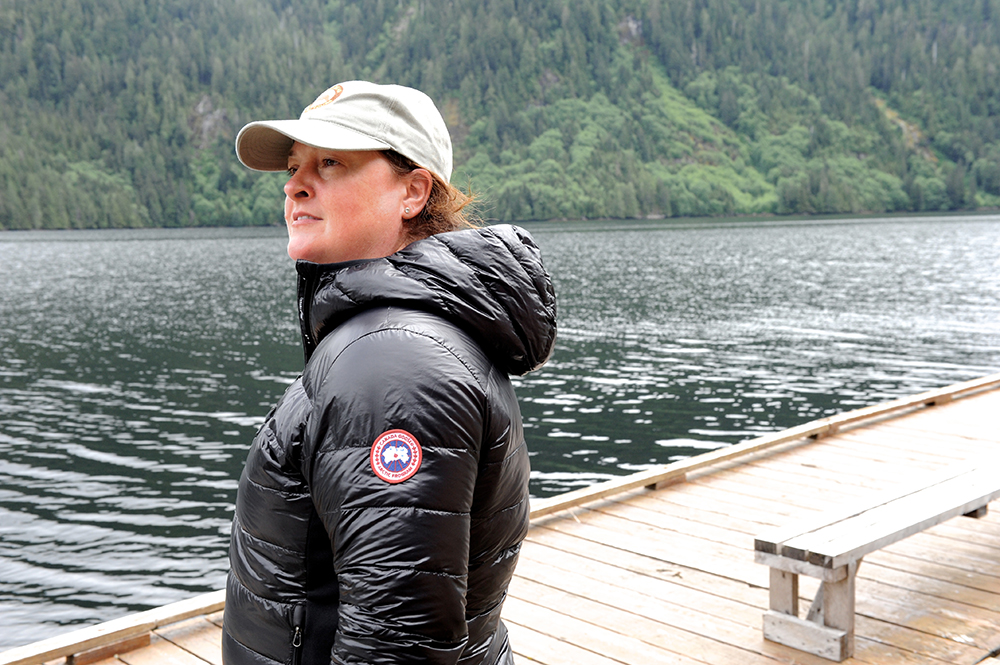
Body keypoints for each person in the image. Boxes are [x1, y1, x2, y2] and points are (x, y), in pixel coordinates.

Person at [224, 80, 557, 665]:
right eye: (296, 165)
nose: (295, 183)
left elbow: (398, 644)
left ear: (412, 190)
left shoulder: (392, 362)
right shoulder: (399, 336)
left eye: (330, 162)